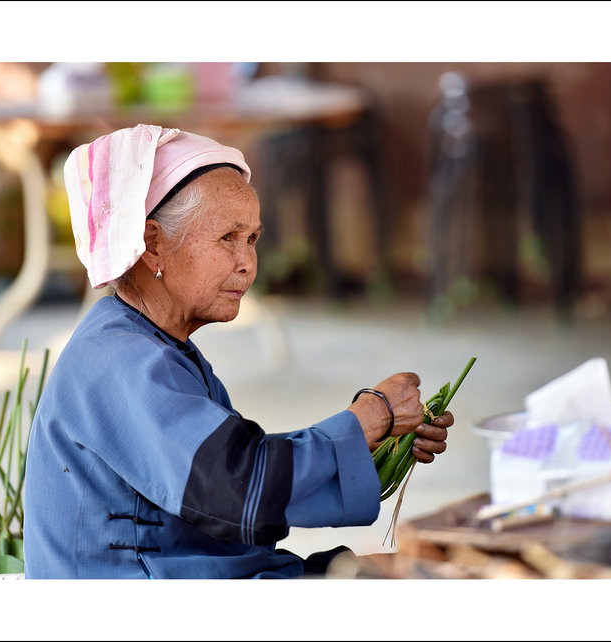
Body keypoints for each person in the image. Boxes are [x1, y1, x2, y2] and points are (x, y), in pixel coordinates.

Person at [23, 124, 454, 579]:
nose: (247, 262)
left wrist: (371, 442)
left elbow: (235, 474)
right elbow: (236, 488)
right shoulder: (119, 361)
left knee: (418, 568)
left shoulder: (155, 345)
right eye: (228, 237)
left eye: (252, 239)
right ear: (153, 244)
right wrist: (368, 418)